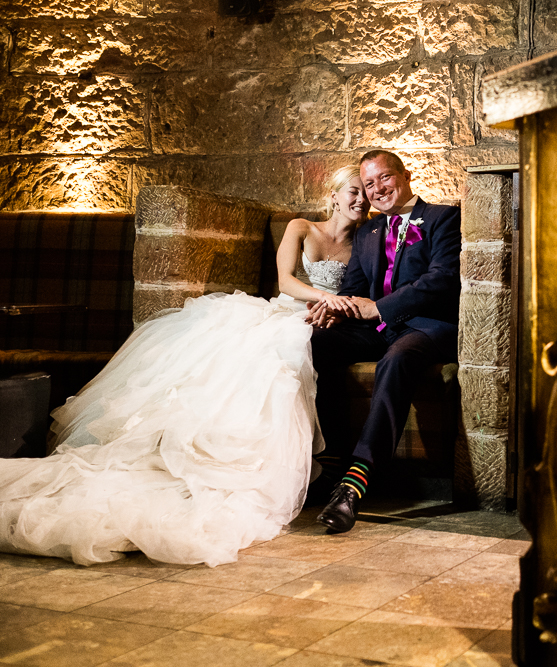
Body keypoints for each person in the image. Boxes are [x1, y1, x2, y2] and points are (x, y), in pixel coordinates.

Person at [0, 166, 369, 567]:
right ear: (333, 195)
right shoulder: (301, 227)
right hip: (289, 311)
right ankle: (187, 449)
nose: (361, 200)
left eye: (365, 193)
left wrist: (337, 310)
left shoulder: (368, 241)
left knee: (286, 361)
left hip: (322, 323)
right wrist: (324, 300)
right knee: (252, 352)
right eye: (353, 191)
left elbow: (362, 292)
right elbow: (285, 283)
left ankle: (242, 460)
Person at [310, 150, 461, 533]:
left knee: (396, 360)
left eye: (385, 179)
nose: (377, 190)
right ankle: (330, 463)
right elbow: (354, 289)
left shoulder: (444, 218)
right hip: (376, 329)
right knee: (314, 342)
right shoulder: (367, 232)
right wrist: (335, 310)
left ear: (406, 175)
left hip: (426, 328)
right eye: (370, 183)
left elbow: (442, 279)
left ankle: (354, 485)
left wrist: (380, 308)